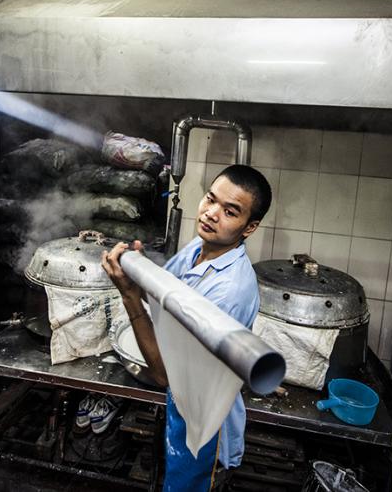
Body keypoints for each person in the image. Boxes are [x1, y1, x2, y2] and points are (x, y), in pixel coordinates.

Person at [101, 164, 272, 492]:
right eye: (210, 199)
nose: (211, 213)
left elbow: (169, 377)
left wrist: (129, 297)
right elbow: (166, 296)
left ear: (250, 227)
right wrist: (138, 269)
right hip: (184, 405)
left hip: (207, 427)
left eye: (230, 211)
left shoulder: (231, 290)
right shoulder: (200, 248)